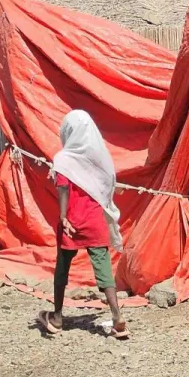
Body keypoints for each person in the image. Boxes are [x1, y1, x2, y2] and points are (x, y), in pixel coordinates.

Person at [38, 109, 128, 341]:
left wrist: (63, 216)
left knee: (62, 269)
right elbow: (109, 184)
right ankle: (117, 318)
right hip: (95, 220)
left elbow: (63, 188)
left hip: (72, 221)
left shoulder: (64, 159)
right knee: (103, 268)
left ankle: (57, 317)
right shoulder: (100, 159)